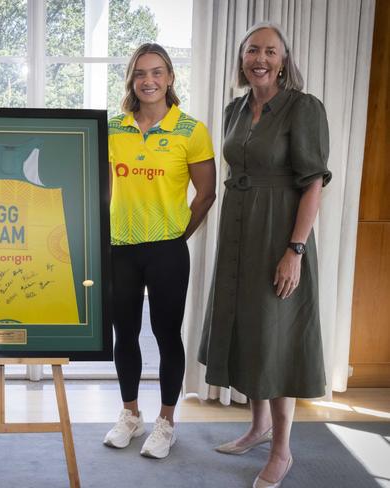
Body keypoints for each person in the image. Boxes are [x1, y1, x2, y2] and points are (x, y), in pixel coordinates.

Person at [198, 22, 331, 488]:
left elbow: (313, 182)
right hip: (238, 232)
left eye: (270, 51)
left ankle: (282, 451)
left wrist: (294, 250)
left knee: (275, 338)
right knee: (247, 328)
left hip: (279, 232)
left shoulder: (303, 107)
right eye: (252, 50)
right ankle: (257, 428)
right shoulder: (236, 108)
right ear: (241, 58)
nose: (260, 58)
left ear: (283, 58)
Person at [104, 43, 216, 459]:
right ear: (132, 80)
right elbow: (101, 190)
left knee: (167, 335)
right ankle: (130, 415)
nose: (148, 81)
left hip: (167, 250)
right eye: (140, 73)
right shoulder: (113, 128)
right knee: (125, 334)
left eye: (156, 73)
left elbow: (206, 194)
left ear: (169, 77)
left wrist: (175, 237)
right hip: (120, 249)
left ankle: (165, 422)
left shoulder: (190, 130)